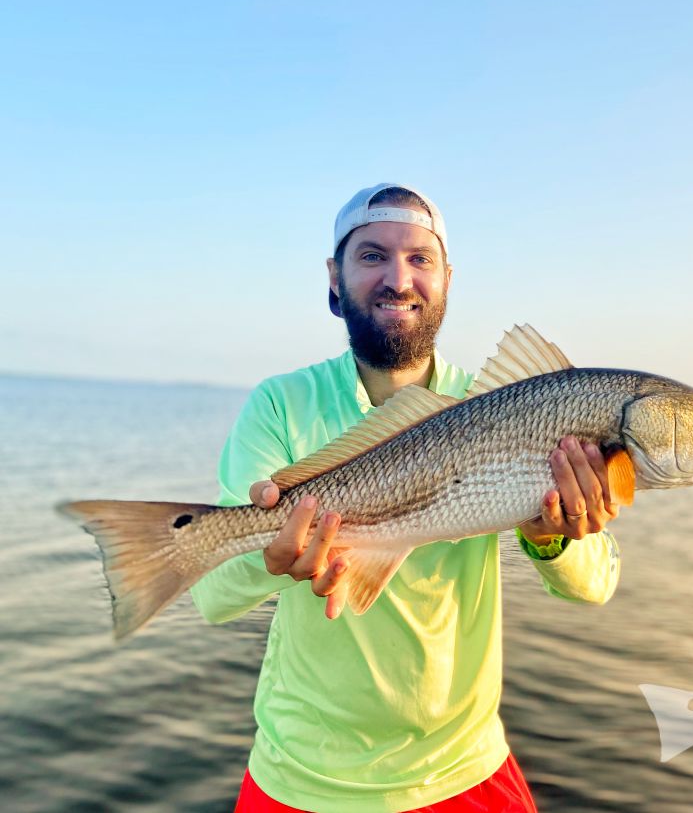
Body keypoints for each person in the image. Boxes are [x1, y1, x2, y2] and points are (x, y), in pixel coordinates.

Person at [190, 183, 623, 813]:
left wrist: (549, 532)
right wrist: (268, 557)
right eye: (371, 256)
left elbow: (595, 584)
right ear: (334, 279)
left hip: (464, 768)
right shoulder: (281, 404)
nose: (399, 278)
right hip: (304, 775)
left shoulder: (508, 409)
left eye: (421, 259)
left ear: (447, 279)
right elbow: (212, 595)